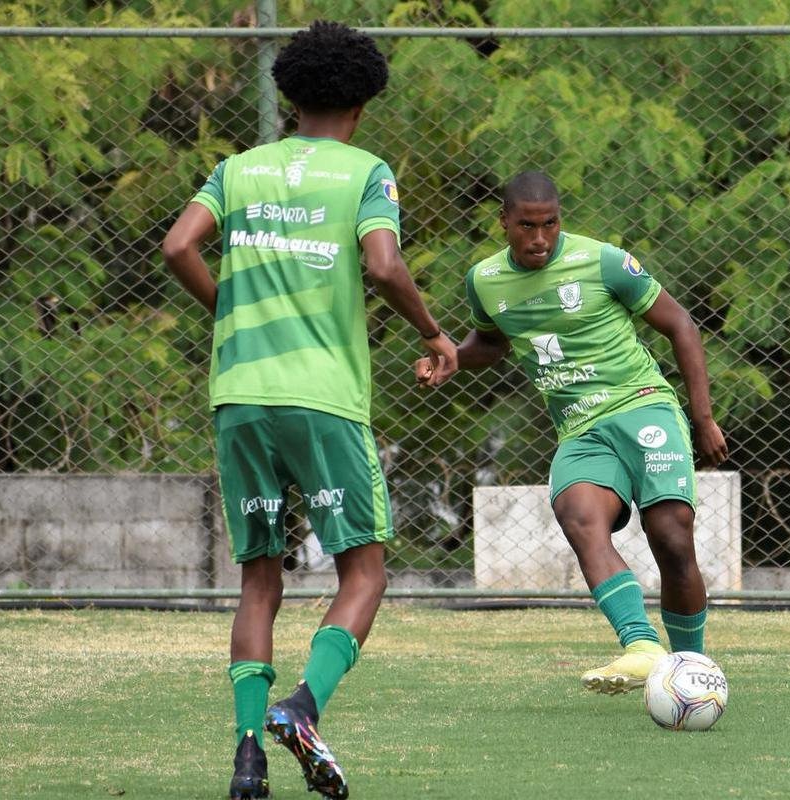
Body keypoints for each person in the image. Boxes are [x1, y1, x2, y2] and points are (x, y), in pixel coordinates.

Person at [162, 21, 457, 800]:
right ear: (361, 106)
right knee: (365, 571)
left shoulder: (236, 170)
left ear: (289, 98)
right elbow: (383, 265)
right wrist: (433, 332)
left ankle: (247, 756)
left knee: (260, 578)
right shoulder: (365, 172)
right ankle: (303, 706)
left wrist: (229, 310)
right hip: (321, 397)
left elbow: (177, 246)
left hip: (239, 394)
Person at [416, 171, 727, 694]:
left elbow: (680, 324)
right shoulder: (484, 280)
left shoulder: (604, 261)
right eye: (526, 226)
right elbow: (492, 343)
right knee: (579, 517)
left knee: (672, 538)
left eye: (550, 224)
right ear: (504, 222)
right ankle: (642, 647)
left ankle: (692, 670)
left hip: (642, 406)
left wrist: (703, 418)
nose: (539, 238)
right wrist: (451, 360)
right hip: (580, 428)